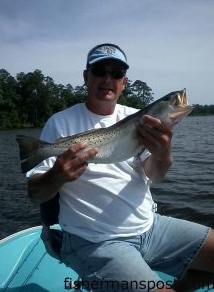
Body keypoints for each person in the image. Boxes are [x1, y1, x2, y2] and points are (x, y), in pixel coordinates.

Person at [27, 43, 214, 292]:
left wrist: (163, 152)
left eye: (116, 74)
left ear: (124, 82)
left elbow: (154, 175)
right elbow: (35, 193)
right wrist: (57, 176)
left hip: (151, 228)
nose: (107, 79)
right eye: (99, 71)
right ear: (86, 77)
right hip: (94, 241)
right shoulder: (60, 122)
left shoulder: (141, 119)